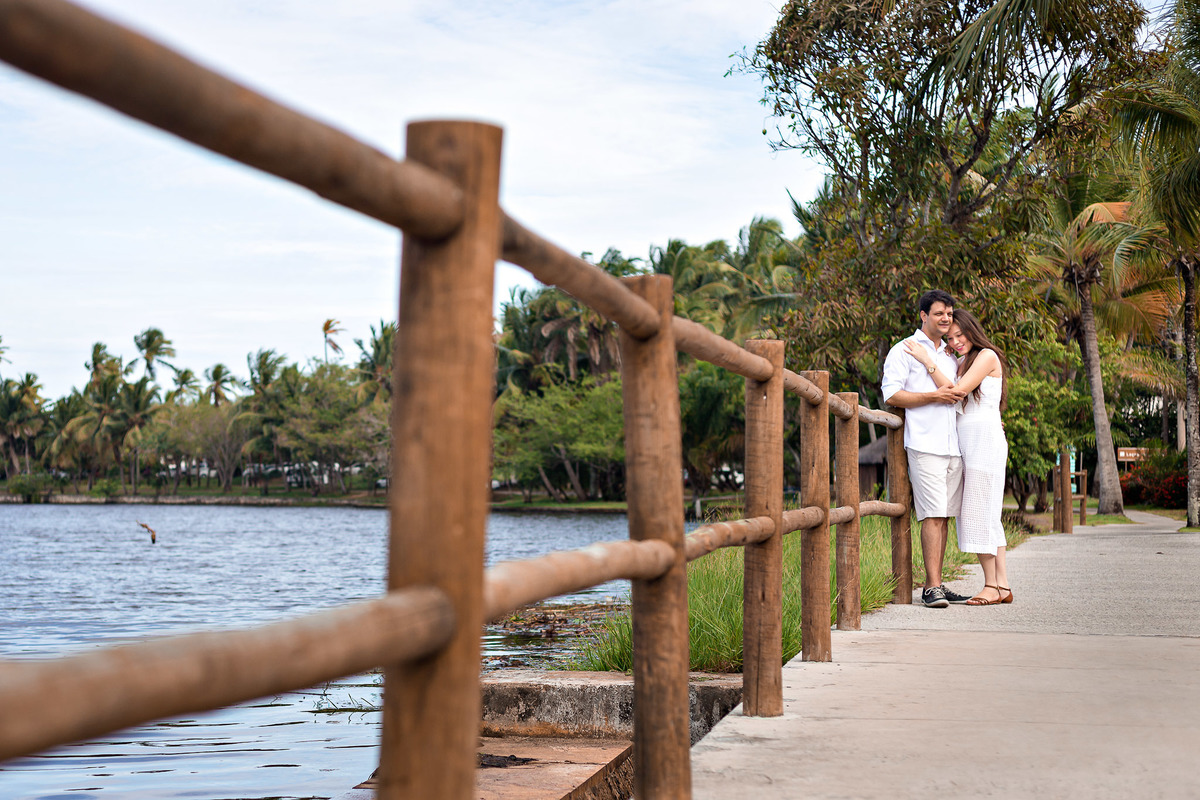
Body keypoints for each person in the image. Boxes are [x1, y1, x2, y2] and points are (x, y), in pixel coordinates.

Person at [904, 309, 1012, 605]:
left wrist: (927, 361)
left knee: (979, 512)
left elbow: (957, 393)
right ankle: (1001, 585)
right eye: (950, 339)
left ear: (972, 331)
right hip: (970, 442)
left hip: (983, 442)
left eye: (960, 335)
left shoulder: (987, 355)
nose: (956, 342)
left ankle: (991, 585)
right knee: (987, 513)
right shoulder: (962, 362)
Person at [881, 290, 970, 608]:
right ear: (923, 315)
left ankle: (938, 583)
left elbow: (956, 393)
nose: (945, 318)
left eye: (949, 313)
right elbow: (891, 394)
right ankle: (930, 588)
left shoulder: (951, 355)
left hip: (952, 445)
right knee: (932, 515)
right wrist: (932, 397)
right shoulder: (905, 350)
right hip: (924, 443)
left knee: (943, 516)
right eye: (938, 313)